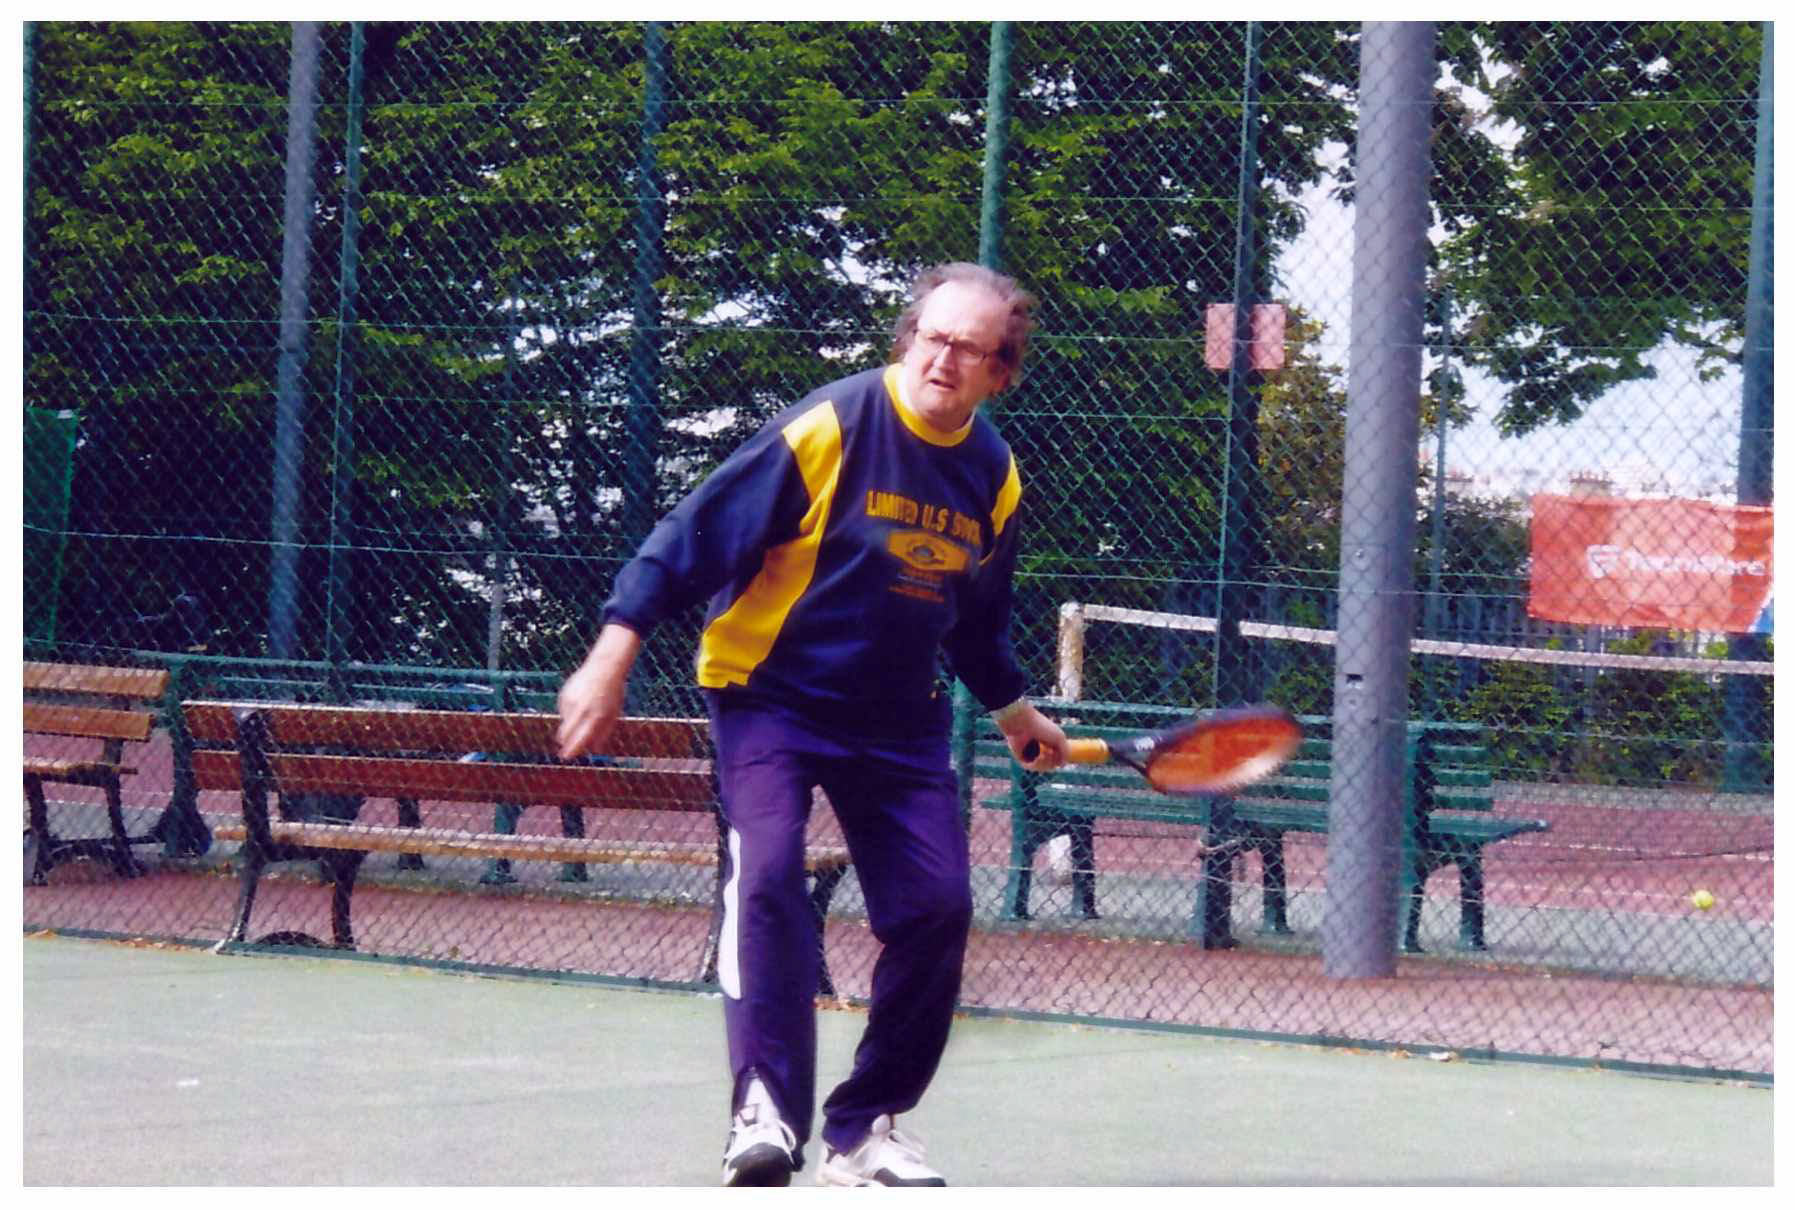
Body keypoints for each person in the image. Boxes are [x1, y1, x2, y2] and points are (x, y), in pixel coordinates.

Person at [556, 262, 1067, 1187]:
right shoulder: (828, 427)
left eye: (969, 348)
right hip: (769, 698)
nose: (943, 360)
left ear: (1000, 372)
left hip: (896, 721)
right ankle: (764, 1114)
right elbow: (687, 538)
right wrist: (610, 655)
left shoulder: (993, 476)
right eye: (932, 337)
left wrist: (1012, 711)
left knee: (936, 909)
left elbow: (977, 624)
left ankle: (864, 1130)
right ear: (908, 339)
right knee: (767, 875)